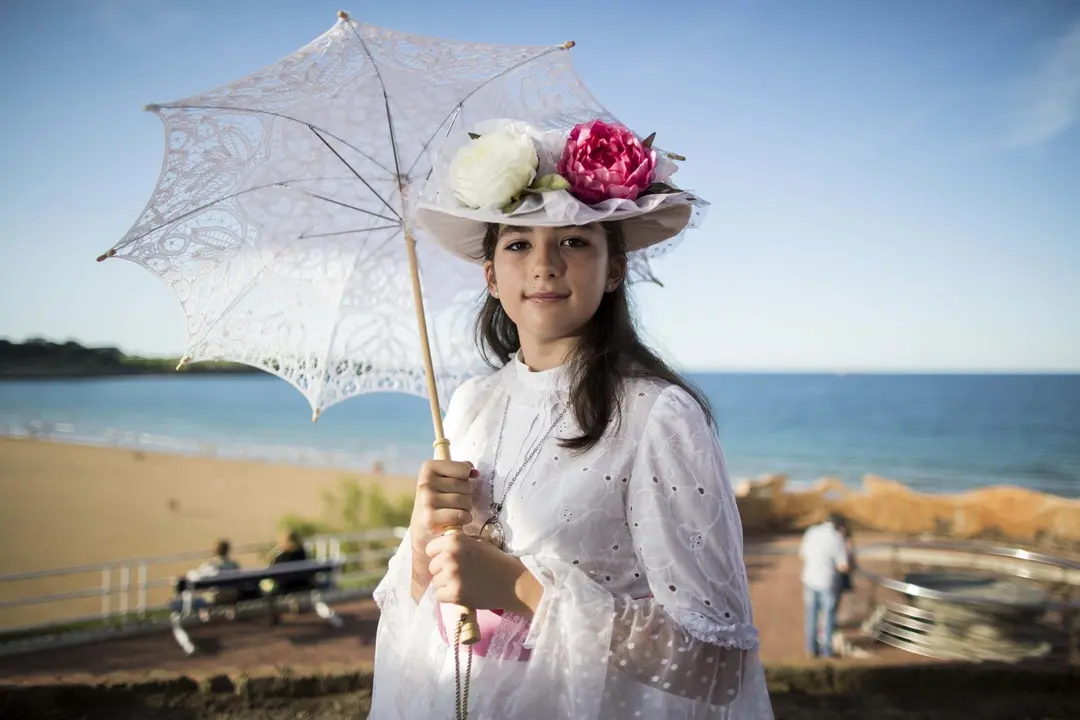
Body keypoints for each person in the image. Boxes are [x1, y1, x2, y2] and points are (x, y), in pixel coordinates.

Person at [370, 118, 773, 719]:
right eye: (518, 243)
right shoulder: (469, 405)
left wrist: (519, 589)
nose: (544, 264)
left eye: (574, 240)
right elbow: (422, 604)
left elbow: (714, 667)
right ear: (491, 275)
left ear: (615, 269)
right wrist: (427, 531)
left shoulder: (658, 418)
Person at [798, 513, 850, 658]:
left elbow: (802, 554)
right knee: (828, 616)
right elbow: (843, 566)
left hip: (809, 579)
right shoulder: (836, 537)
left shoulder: (811, 532)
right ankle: (826, 650)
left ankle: (811, 648)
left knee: (811, 614)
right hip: (827, 581)